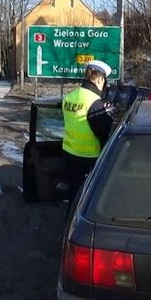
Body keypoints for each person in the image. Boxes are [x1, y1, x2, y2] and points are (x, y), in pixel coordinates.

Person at [62, 60, 113, 203]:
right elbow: (103, 130)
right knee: (87, 199)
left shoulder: (70, 97)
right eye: (104, 81)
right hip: (89, 156)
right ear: (100, 79)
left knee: (74, 194)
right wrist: (108, 115)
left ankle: (69, 221)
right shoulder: (94, 101)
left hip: (69, 152)